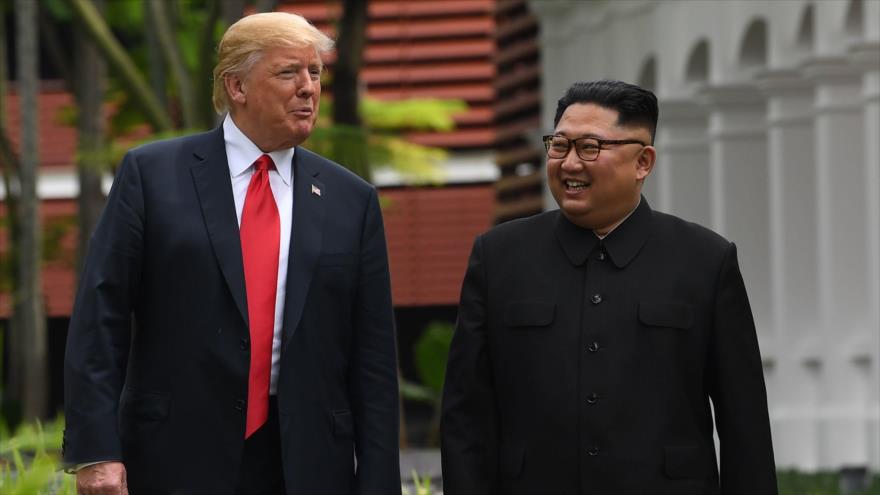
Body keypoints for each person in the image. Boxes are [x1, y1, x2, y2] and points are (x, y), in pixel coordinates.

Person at [63, 12, 401, 494]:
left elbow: (373, 362)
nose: (308, 88)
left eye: (315, 72)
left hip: (306, 466)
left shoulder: (353, 200)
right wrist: (96, 452)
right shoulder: (151, 177)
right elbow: (100, 320)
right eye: (289, 72)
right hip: (173, 459)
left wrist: (378, 483)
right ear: (236, 86)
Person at [441, 80, 777, 494]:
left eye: (590, 147)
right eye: (559, 145)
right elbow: (465, 416)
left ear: (643, 162)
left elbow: (744, 424)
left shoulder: (706, 261)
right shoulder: (499, 257)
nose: (570, 163)